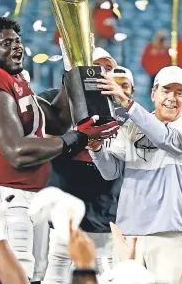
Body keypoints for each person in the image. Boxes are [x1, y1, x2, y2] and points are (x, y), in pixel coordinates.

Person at [0, 16, 119, 282]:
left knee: (34, 275)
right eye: (6, 43)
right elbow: (17, 151)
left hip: (29, 194)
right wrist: (78, 138)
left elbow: (56, 119)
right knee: (14, 273)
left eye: (18, 41)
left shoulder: (15, 82)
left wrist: (72, 71)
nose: (17, 47)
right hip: (4, 194)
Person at [88, 66, 182, 283]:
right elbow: (110, 172)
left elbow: (164, 138)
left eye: (179, 92)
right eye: (166, 91)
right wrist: (97, 149)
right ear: (153, 94)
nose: (172, 98)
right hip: (128, 234)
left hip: (168, 236)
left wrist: (128, 104)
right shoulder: (132, 126)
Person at [39, 61, 135, 284]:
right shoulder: (56, 100)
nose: (102, 73)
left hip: (107, 213)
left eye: (107, 68)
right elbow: (41, 140)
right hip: (66, 214)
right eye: (96, 67)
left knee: (110, 276)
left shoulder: (125, 111)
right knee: (55, 276)